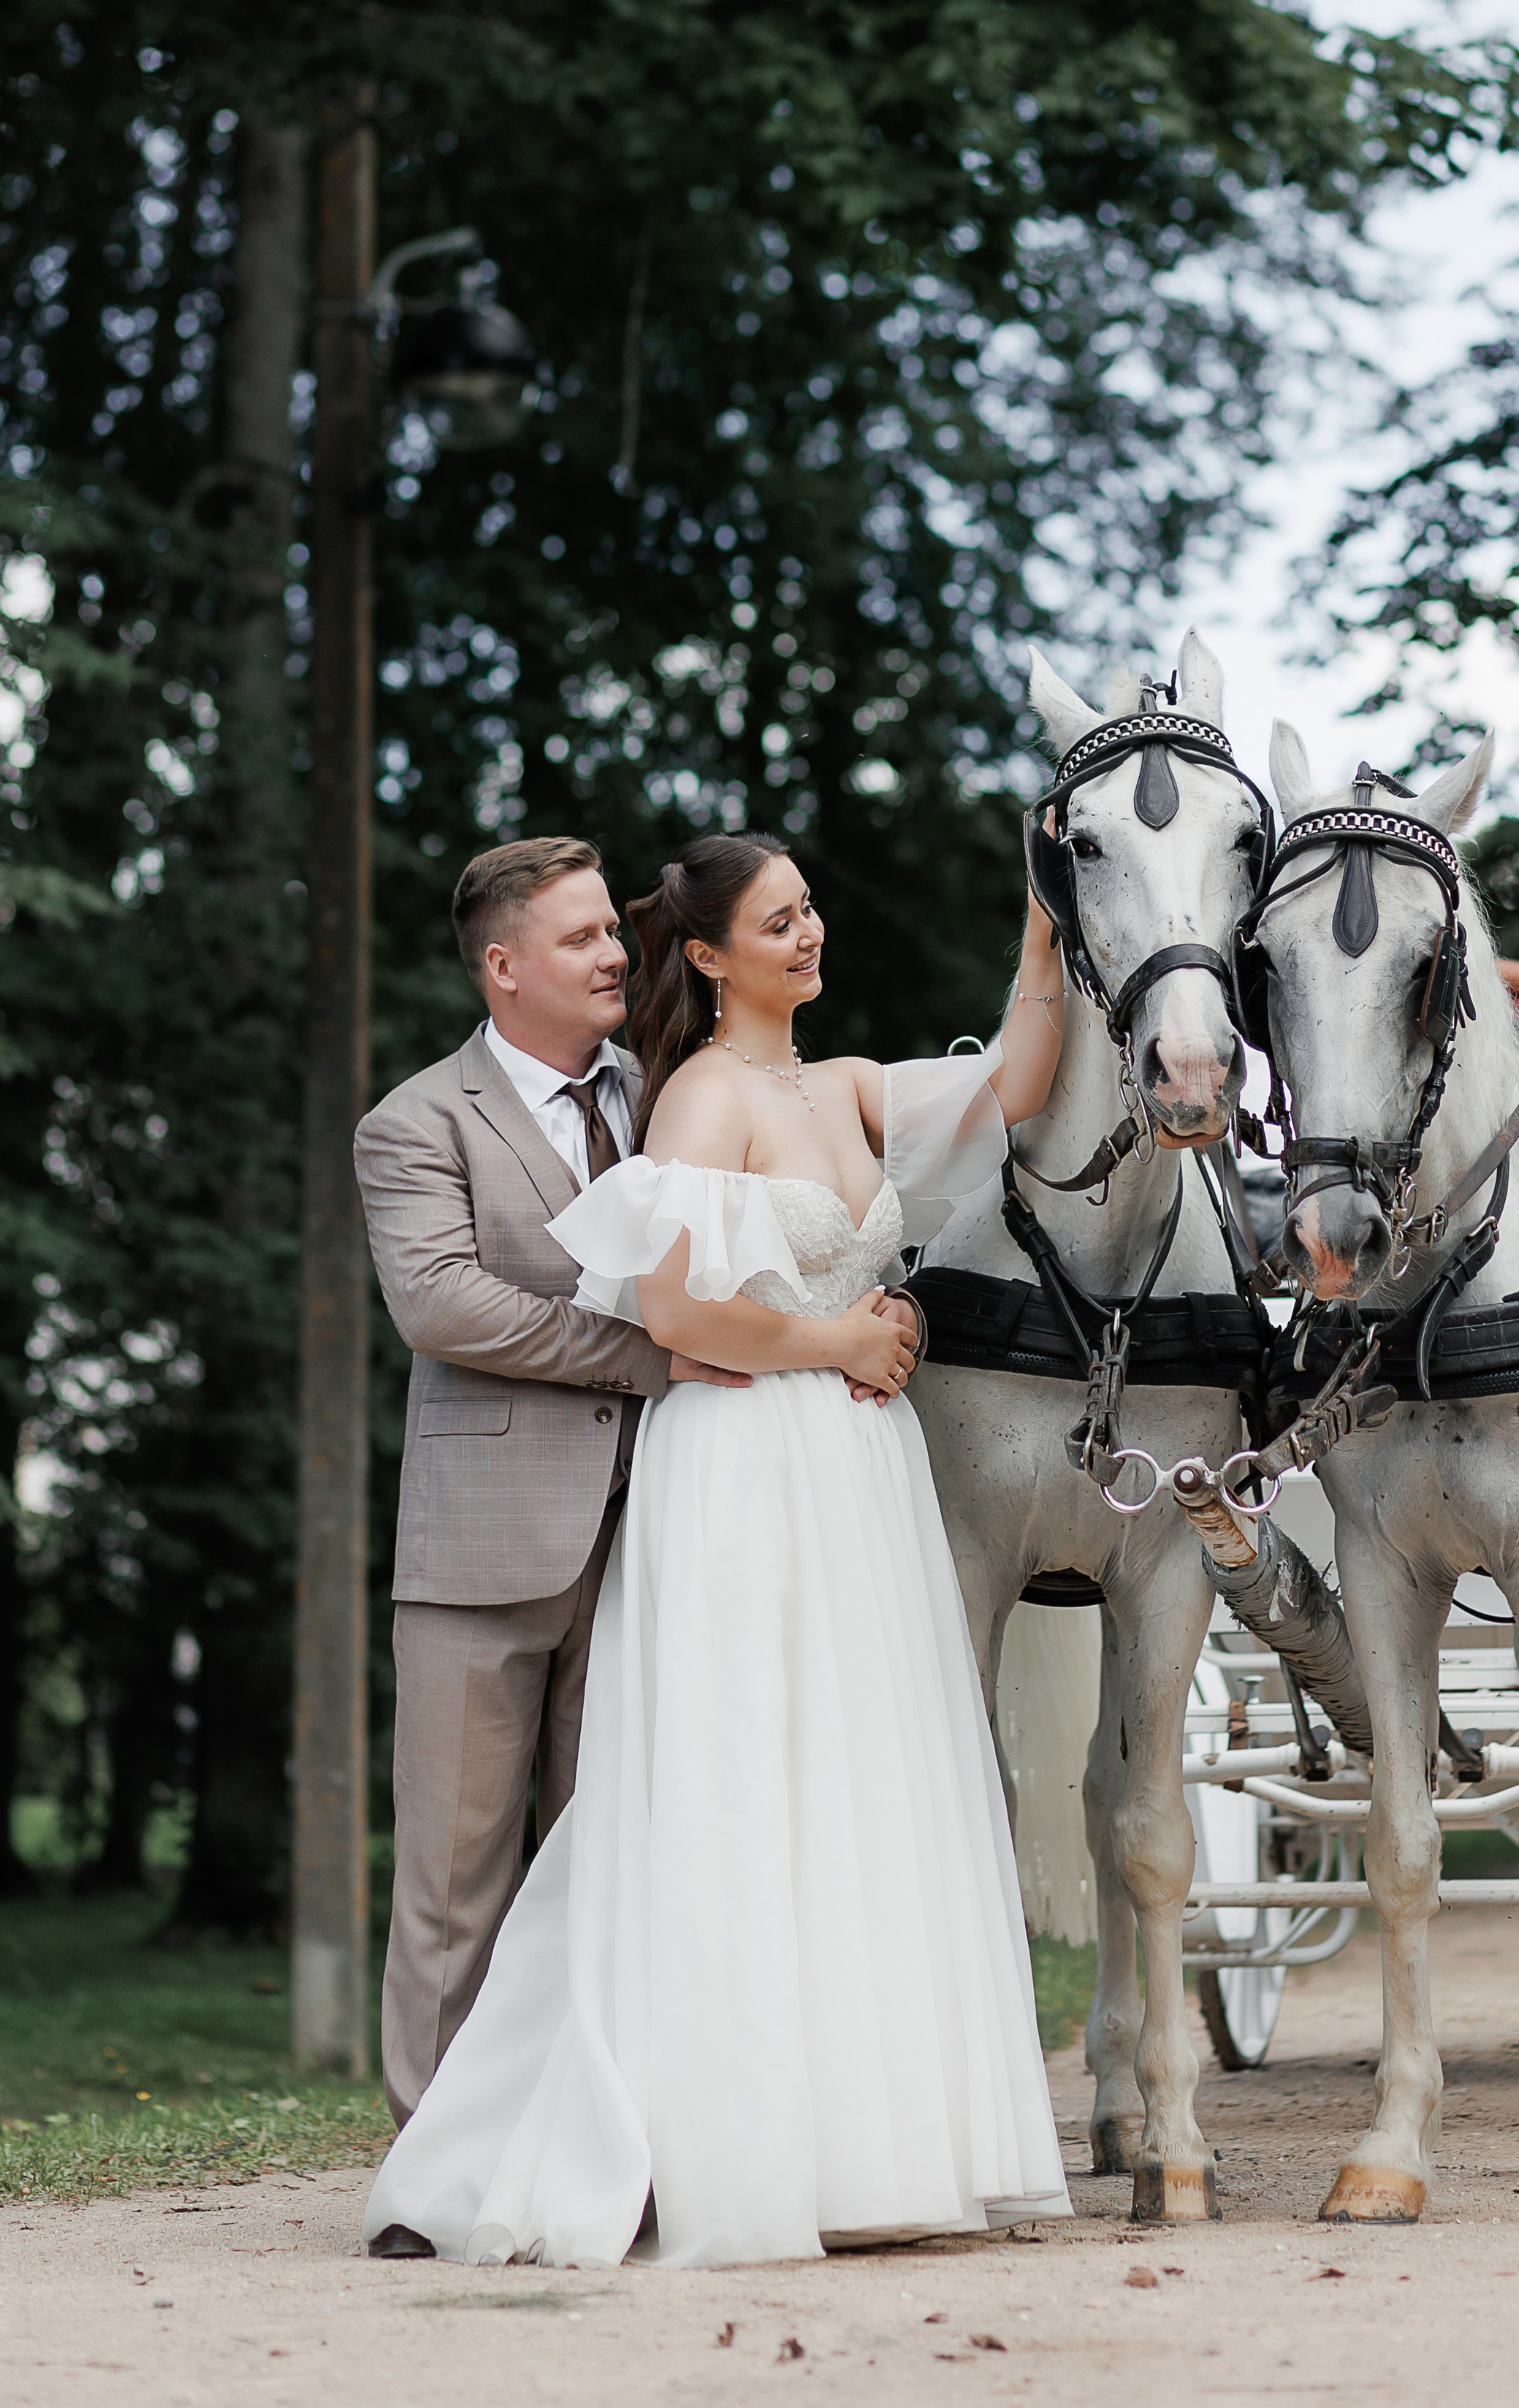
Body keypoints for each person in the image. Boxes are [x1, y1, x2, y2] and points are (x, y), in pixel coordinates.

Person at [360, 831, 1073, 2269]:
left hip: (840, 1478)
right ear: (712, 952)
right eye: (777, 917)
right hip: (720, 1466)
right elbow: (661, 1317)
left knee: (829, 1791)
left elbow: (1007, 1083)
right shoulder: (651, 1102)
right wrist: (841, 1340)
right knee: (652, 1816)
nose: (809, 934)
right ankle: (461, 2168)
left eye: (813, 908)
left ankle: (817, 2142)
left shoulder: (824, 1085)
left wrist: (1046, 931)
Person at [353, 836, 747, 2173]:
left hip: (656, 1541)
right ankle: (438, 2167)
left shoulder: (672, 1093)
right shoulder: (415, 1123)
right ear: (502, 965)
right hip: (480, 1556)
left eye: (611, 932)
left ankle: (599, 2155)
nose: (613, 956)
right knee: (456, 1889)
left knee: (618, 1877)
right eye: (580, 938)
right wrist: (651, 1352)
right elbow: (444, 1304)